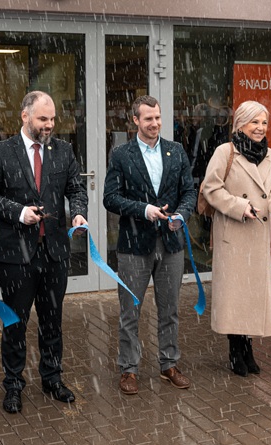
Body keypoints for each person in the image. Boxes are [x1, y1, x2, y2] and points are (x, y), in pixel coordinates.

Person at [0, 91, 88, 413]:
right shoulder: (1, 152)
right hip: (16, 255)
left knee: (52, 321)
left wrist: (78, 213)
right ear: (25, 116)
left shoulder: (63, 150)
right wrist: (18, 212)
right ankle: (13, 384)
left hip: (54, 253)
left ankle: (52, 378)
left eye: (52, 119)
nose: (49, 125)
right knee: (15, 323)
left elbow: (76, 189)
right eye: (43, 119)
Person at [103, 95, 197, 395]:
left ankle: (169, 364)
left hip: (171, 243)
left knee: (170, 309)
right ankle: (129, 369)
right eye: (148, 119)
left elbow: (189, 192)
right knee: (130, 311)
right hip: (134, 245)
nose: (154, 123)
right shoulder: (121, 154)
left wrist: (181, 215)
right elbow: (110, 198)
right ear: (135, 120)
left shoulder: (176, 151)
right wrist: (144, 210)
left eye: (157, 117)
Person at [201, 101, 271, 376]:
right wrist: (240, 206)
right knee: (234, 297)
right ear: (240, 124)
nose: (261, 128)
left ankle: (248, 349)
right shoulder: (225, 152)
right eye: (255, 122)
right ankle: (235, 351)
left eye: (264, 122)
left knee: (252, 296)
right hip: (233, 235)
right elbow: (211, 189)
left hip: (258, 236)